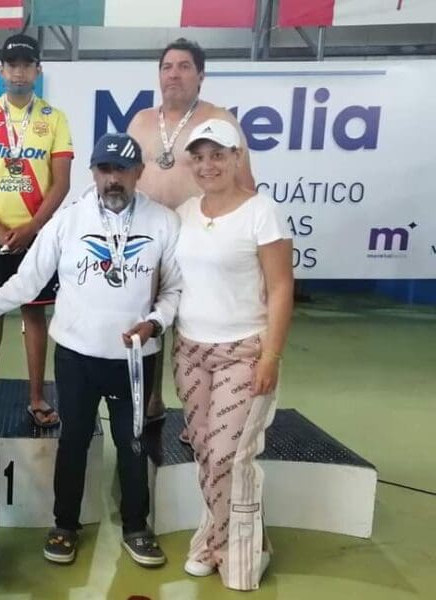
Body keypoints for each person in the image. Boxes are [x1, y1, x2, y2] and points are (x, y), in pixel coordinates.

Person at [0, 133, 181, 566]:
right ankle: (64, 524)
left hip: (134, 359)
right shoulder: (67, 221)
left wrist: (156, 323)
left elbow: (174, 289)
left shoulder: (164, 222)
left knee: (133, 442)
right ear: (93, 172)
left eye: (122, 170)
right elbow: (27, 282)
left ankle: (136, 526)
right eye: (105, 170)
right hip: (76, 356)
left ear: (139, 173)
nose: (113, 179)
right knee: (73, 440)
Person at [174, 118, 293, 590]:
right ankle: (220, 541)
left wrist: (271, 356)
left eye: (218, 155)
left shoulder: (261, 212)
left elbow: (281, 288)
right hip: (189, 350)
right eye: (200, 157)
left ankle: (242, 552)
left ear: (237, 157)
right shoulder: (185, 212)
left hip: (243, 351)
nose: (208, 165)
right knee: (206, 452)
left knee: (227, 457)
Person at [127, 37, 256, 426]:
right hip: (148, 239)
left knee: (196, 323)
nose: (174, 74)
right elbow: (122, 177)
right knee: (149, 318)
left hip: (199, 238)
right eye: (167, 67)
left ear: (201, 76)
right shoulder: (141, 121)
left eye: (184, 67)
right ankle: (150, 400)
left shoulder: (219, 120)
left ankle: (200, 417)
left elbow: (245, 185)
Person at [0, 34, 73, 428]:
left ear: (37, 70)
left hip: (36, 234)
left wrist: (32, 227)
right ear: (1, 70)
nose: (19, 72)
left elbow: (61, 182)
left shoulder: (54, 118)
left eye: (26, 65)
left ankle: (37, 397)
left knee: (34, 312)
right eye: (12, 65)